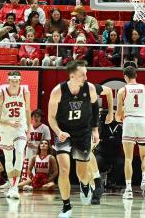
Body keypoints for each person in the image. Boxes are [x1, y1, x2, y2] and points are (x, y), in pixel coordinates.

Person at [47, 60, 100, 218]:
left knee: (82, 174)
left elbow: (95, 107)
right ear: (72, 76)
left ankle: (85, 184)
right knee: (64, 169)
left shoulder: (89, 88)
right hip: (64, 132)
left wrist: (95, 130)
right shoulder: (58, 91)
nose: (86, 76)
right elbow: (51, 117)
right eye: (82, 74)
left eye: (86, 73)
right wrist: (57, 131)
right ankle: (66, 206)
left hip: (83, 132)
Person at [115, 63, 145, 198]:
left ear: (125, 77)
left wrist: (120, 117)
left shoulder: (122, 91)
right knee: (144, 156)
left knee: (128, 158)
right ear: (136, 75)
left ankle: (129, 190)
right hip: (143, 121)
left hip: (129, 121)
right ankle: (144, 180)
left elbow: (118, 115)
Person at [0, 70, 32, 199]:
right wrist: (9, 122)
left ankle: (15, 187)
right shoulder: (1, 94)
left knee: (20, 153)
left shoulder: (25, 92)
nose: (15, 83)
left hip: (20, 128)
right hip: (6, 128)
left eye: (17, 81)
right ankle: (11, 186)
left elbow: (28, 110)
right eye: (13, 81)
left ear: (20, 81)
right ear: (8, 80)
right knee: (9, 158)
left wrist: (30, 127)